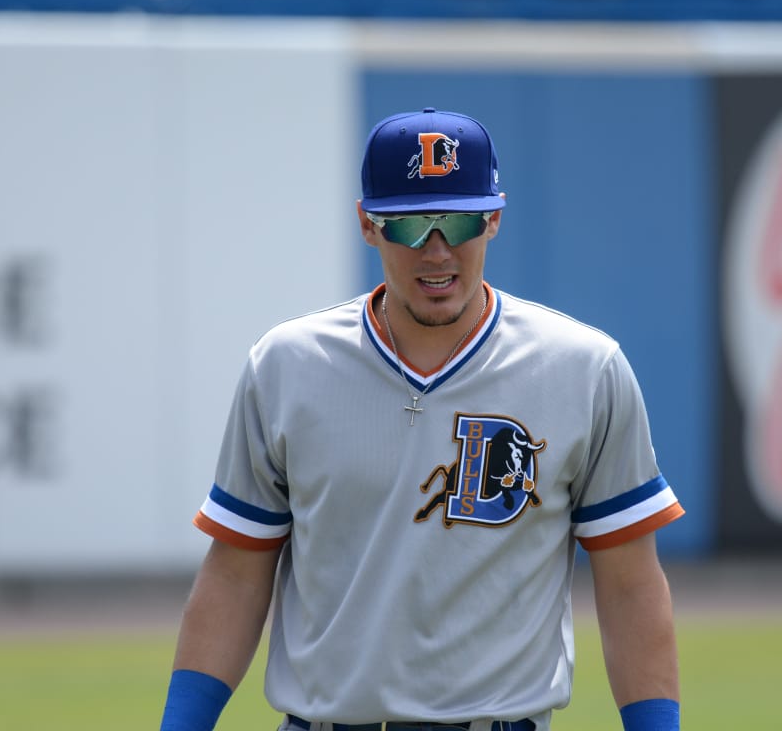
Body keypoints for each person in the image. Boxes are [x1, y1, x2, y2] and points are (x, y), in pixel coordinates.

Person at [158, 107, 685, 731]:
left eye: (459, 220)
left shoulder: (583, 369)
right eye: (410, 225)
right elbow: (237, 575)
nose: (437, 252)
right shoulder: (287, 364)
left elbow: (629, 586)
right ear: (368, 225)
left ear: (494, 217)